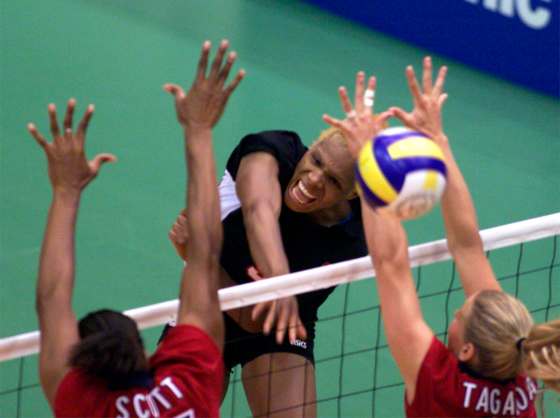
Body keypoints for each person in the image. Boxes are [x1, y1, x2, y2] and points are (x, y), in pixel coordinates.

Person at [324, 56, 560, 417]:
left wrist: (370, 159)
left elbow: (392, 263)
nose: (456, 311)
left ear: (466, 351)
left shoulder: (438, 382)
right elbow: (462, 246)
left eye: (458, 316)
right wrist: (436, 141)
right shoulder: (523, 381)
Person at [29, 39, 244, 417]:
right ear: (143, 353)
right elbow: (206, 252)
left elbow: (51, 297)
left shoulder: (83, 403)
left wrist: (65, 193)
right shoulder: (190, 378)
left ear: (82, 365)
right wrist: (198, 129)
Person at [167, 73, 392, 417]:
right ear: (310, 148)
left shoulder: (353, 237)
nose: (313, 179)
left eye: (332, 180)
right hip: (205, 303)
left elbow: (260, 321)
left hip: (277, 328)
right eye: (316, 160)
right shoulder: (271, 150)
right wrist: (280, 284)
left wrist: (200, 256)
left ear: (350, 193)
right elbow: (260, 211)